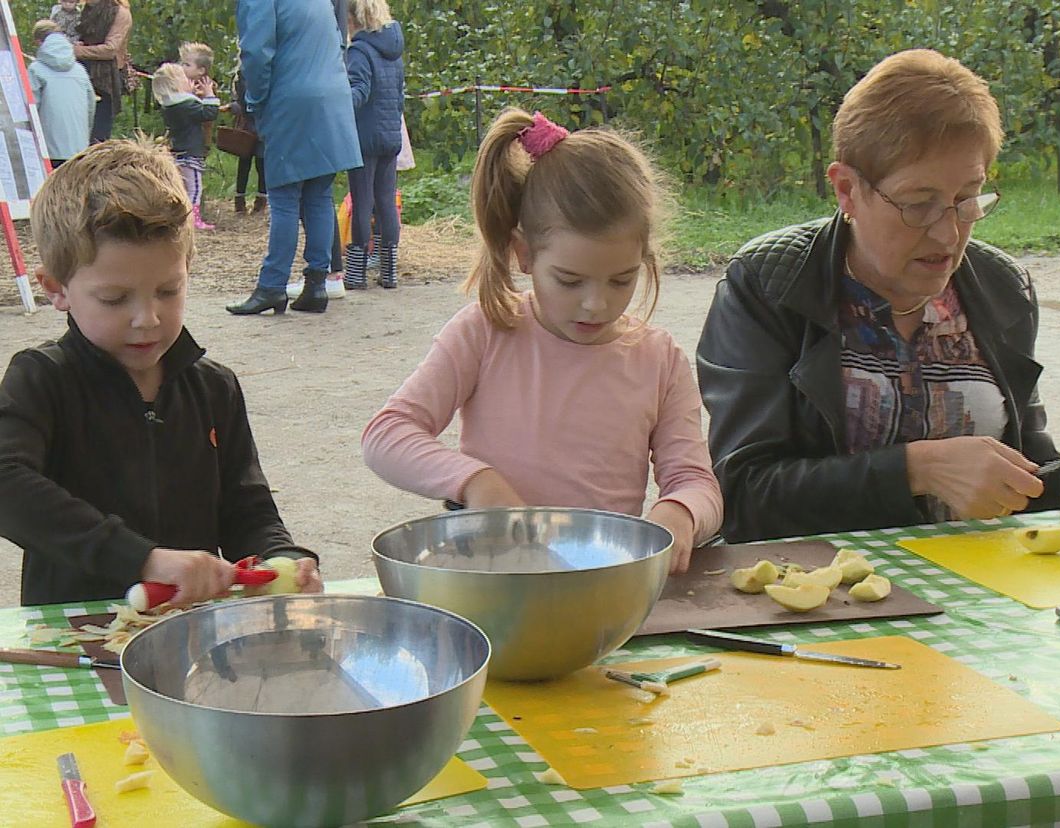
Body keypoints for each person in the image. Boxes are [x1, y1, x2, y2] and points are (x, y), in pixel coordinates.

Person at [696, 48, 1060, 544]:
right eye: (918, 205)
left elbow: (1019, 480)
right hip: (815, 593)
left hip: (975, 588)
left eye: (968, 200)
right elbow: (743, 494)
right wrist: (913, 470)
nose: (948, 235)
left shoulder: (1002, 289)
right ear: (846, 189)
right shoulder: (772, 284)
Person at [362, 108, 722, 574]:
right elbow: (386, 435)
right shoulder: (486, 331)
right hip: (493, 574)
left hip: (600, 582)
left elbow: (695, 480)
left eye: (621, 280)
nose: (596, 304)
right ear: (524, 254)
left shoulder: (659, 359)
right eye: (570, 281)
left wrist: (682, 512)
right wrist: (475, 482)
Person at [0, 139, 321, 606]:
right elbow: (6, 483)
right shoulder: (42, 379)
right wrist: (142, 559)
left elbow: (245, 507)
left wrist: (280, 558)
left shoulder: (214, 387)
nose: (146, 319)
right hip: (80, 631)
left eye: (168, 291)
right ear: (57, 289)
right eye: (114, 299)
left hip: (189, 631)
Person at [227, 0, 361, 316]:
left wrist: (254, 102)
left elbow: (257, 53)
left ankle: (272, 286)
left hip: (293, 98)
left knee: (284, 196)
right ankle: (316, 284)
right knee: (318, 194)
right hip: (332, 98)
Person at [342, 0, 404, 290]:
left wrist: (336, 101)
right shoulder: (393, 50)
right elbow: (400, 96)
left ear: (352, 17)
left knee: (363, 202)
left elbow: (359, 92)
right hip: (391, 135)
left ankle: (356, 273)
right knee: (386, 201)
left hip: (364, 137)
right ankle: (388, 271)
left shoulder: (358, 50)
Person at [151, 62, 218, 231]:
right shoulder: (186, 105)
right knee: (195, 187)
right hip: (191, 153)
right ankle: (193, 218)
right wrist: (209, 95)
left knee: (180, 187)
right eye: (183, 78)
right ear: (176, 84)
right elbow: (209, 113)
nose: (188, 80)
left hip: (177, 152)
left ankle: (179, 216)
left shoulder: (171, 105)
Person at [27, 20, 94, 168]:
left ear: (39, 42)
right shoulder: (80, 70)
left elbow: (30, 108)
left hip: (48, 149)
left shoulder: (35, 70)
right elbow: (91, 106)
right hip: (79, 149)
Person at [74, 0, 131, 142]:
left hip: (105, 79)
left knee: (98, 135)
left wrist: (77, 50)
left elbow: (110, 49)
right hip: (80, 73)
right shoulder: (84, 9)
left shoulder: (120, 13)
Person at [228, 58, 266, 214]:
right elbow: (238, 100)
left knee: (261, 162)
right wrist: (235, 107)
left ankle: (260, 201)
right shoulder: (241, 75)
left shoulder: (263, 72)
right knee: (246, 161)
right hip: (249, 123)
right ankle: (241, 201)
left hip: (261, 123)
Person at [178, 41, 217, 153]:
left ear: (201, 70)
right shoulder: (179, 82)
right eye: (182, 63)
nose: (182, 67)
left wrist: (190, 94)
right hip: (178, 138)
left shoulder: (206, 88)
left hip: (196, 143)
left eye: (187, 65)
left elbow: (206, 117)